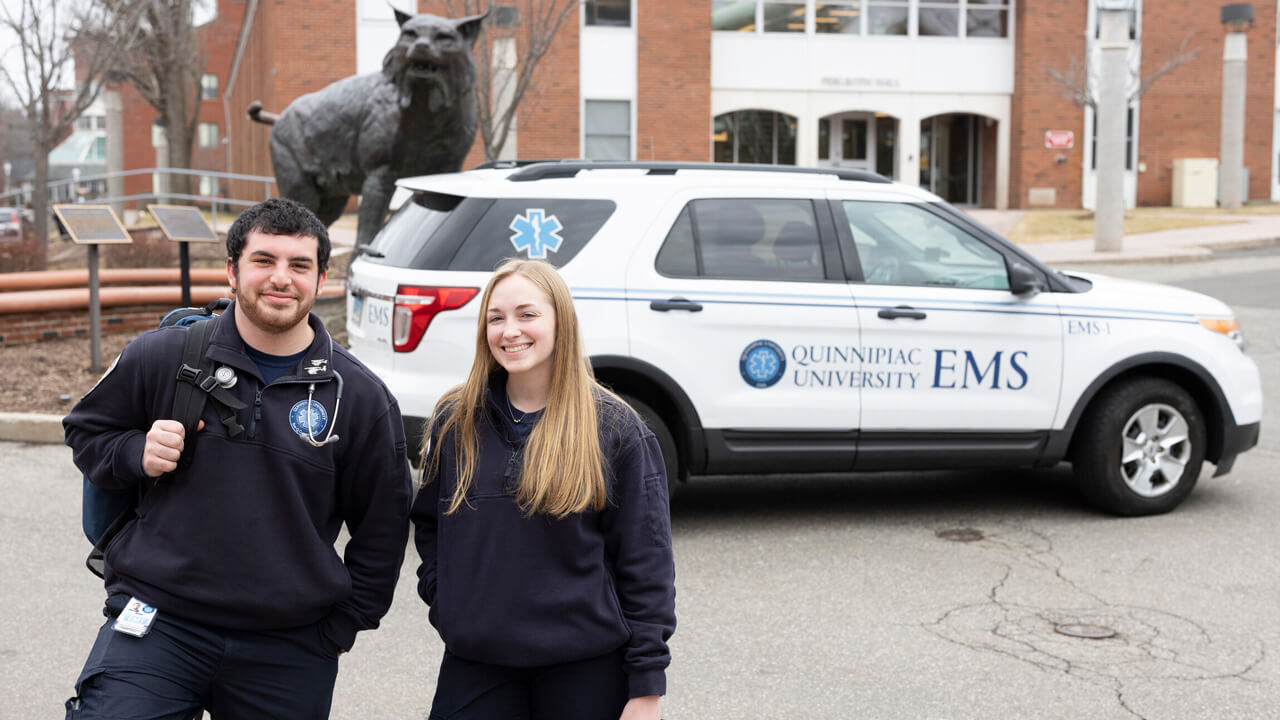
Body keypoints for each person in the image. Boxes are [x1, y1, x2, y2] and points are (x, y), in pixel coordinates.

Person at [62, 197, 413, 719]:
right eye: (263, 261)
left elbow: (383, 528)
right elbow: (87, 431)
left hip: (289, 643)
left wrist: (339, 629)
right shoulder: (162, 355)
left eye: (299, 265)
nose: (281, 279)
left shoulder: (358, 397)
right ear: (232, 271)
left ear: (320, 279)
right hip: (159, 620)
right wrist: (137, 452)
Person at [411, 258, 676, 720]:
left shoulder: (615, 428)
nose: (510, 330)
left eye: (527, 314)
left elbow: (647, 563)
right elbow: (430, 524)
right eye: (496, 318)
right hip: (477, 665)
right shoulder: (457, 421)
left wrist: (646, 688)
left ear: (561, 320)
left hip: (586, 668)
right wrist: (449, 600)